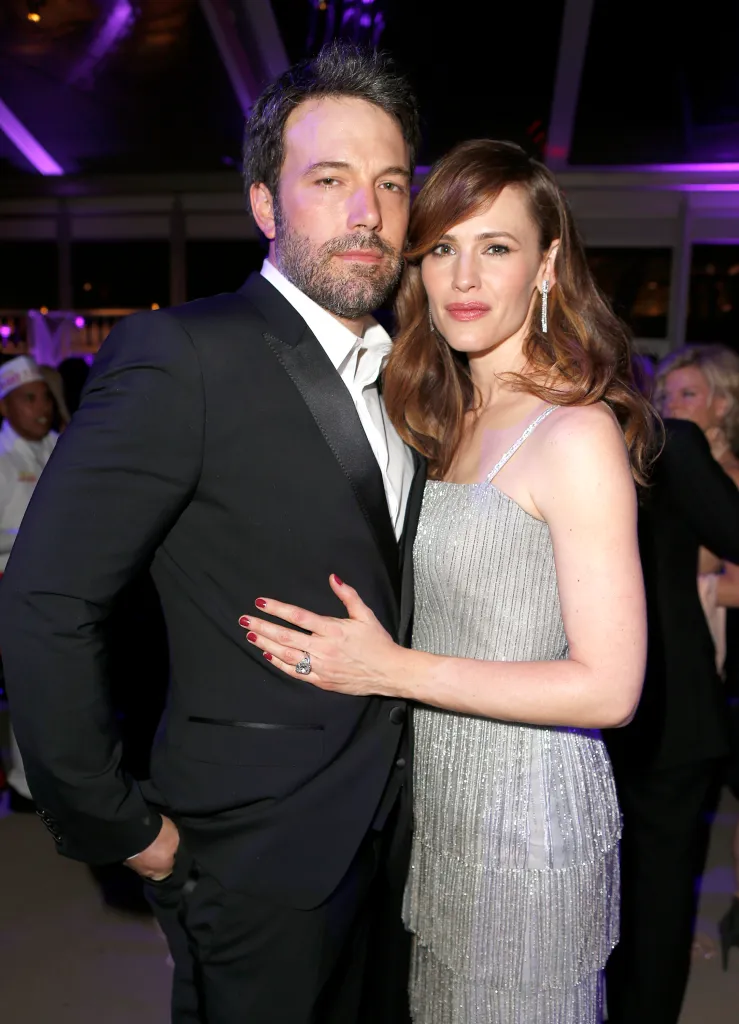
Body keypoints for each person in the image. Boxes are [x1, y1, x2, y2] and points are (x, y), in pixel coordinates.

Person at [0, 43, 424, 1024]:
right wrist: (115, 821)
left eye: (391, 183)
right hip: (252, 845)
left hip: (397, 834)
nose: (367, 212)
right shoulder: (182, 353)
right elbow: (46, 600)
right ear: (266, 205)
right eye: (330, 180)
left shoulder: (410, 369)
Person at [240, 139, 651, 1024]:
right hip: (442, 809)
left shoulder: (573, 433)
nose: (462, 277)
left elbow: (610, 689)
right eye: (440, 249)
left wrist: (387, 668)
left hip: (527, 821)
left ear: (546, 265)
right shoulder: (449, 415)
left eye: (495, 247)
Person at [651, 343, 739, 977]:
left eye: (688, 393)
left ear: (723, 403)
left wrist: (699, 582)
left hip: (712, 657)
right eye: (666, 393)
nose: (671, 404)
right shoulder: (655, 456)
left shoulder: (715, 469)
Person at [0, 355, 58, 812]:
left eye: (45, 398)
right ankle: (24, 787)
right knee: (25, 692)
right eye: (30, 398)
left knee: (58, 691)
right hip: (11, 594)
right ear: (6, 406)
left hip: (59, 593)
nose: (42, 408)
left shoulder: (60, 445)